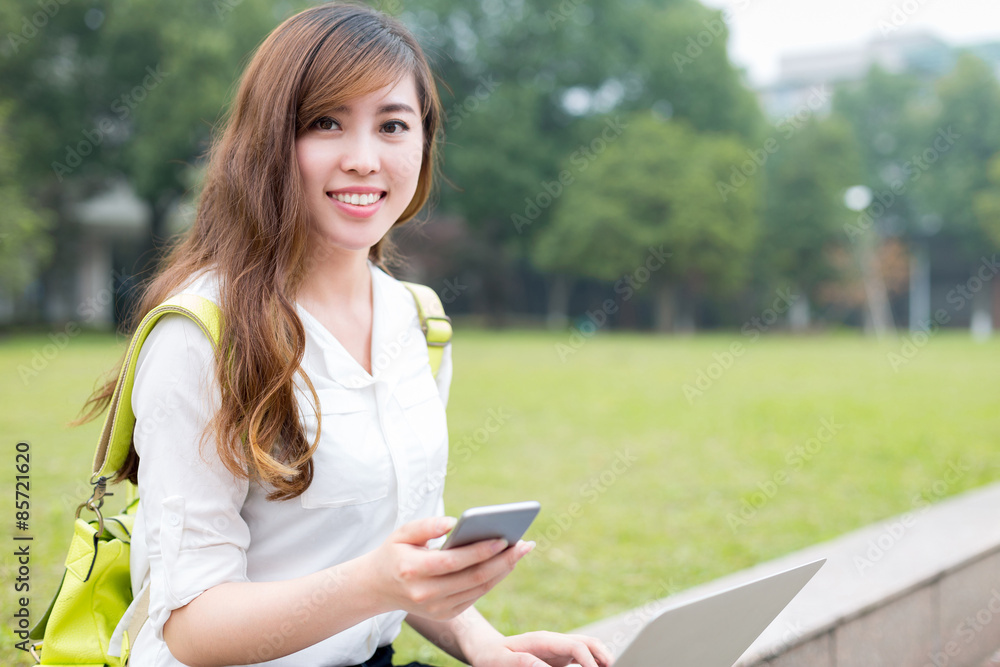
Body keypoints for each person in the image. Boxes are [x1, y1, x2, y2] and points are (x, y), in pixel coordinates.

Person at [74, 3, 613, 666]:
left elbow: (393, 554)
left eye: (392, 125)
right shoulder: (201, 335)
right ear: (269, 140)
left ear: (423, 141)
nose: (364, 159)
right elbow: (192, 625)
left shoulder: (419, 322)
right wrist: (373, 583)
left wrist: (488, 645)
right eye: (326, 123)